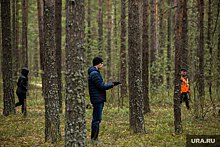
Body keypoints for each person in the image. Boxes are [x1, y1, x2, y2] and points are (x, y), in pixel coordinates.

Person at [88, 57, 121, 144]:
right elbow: (101, 86)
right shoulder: (94, 74)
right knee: (96, 119)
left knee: (97, 119)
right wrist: (112, 84)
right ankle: (94, 140)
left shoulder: (94, 73)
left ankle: (94, 139)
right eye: (101, 63)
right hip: (97, 99)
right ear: (97, 64)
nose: (102, 65)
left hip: (98, 99)